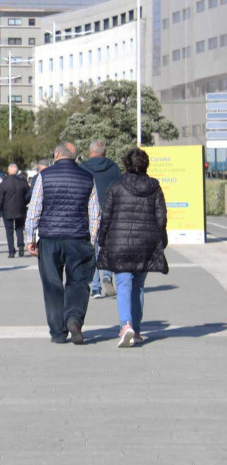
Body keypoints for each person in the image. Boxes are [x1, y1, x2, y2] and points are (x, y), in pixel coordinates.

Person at [25, 142, 100, 345]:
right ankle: (74, 319)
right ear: (74, 157)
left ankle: (58, 332)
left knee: (52, 284)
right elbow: (95, 213)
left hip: (50, 239)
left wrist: (30, 239)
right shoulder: (87, 177)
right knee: (78, 282)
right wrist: (92, 240)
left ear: (57, 154)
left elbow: (35, 209)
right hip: (78, 238)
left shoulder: (44, 176)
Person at [97, 148, 168, 348]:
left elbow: (107, 216)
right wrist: (162, 239)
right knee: (138, 286)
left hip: (119, 243)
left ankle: (125, 324)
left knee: (124, 285)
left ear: (126, 165)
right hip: (146, 244)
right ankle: (136, 330)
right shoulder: (154, 186)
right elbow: (161, 217)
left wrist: (101, 239)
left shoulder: (116, 186)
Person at [81, 139, 122, 299]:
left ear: (91, 152)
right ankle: (107, 275)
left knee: (93, 247)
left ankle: (96, 287)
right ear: (104, 152)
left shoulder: (83, 168)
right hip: (110, 212)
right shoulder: (113, 167)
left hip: (89, 213)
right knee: (107, 247)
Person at [0, 163, 30, 258]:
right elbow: (29, 194)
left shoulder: (3, 184)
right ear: (17, 171)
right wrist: (24, 202)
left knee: (9, 231)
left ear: (8, 171)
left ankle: (11, 251)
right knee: (19, 228)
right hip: (20, 209)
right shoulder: (23, 182)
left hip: (7, 210)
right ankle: (21, 245)